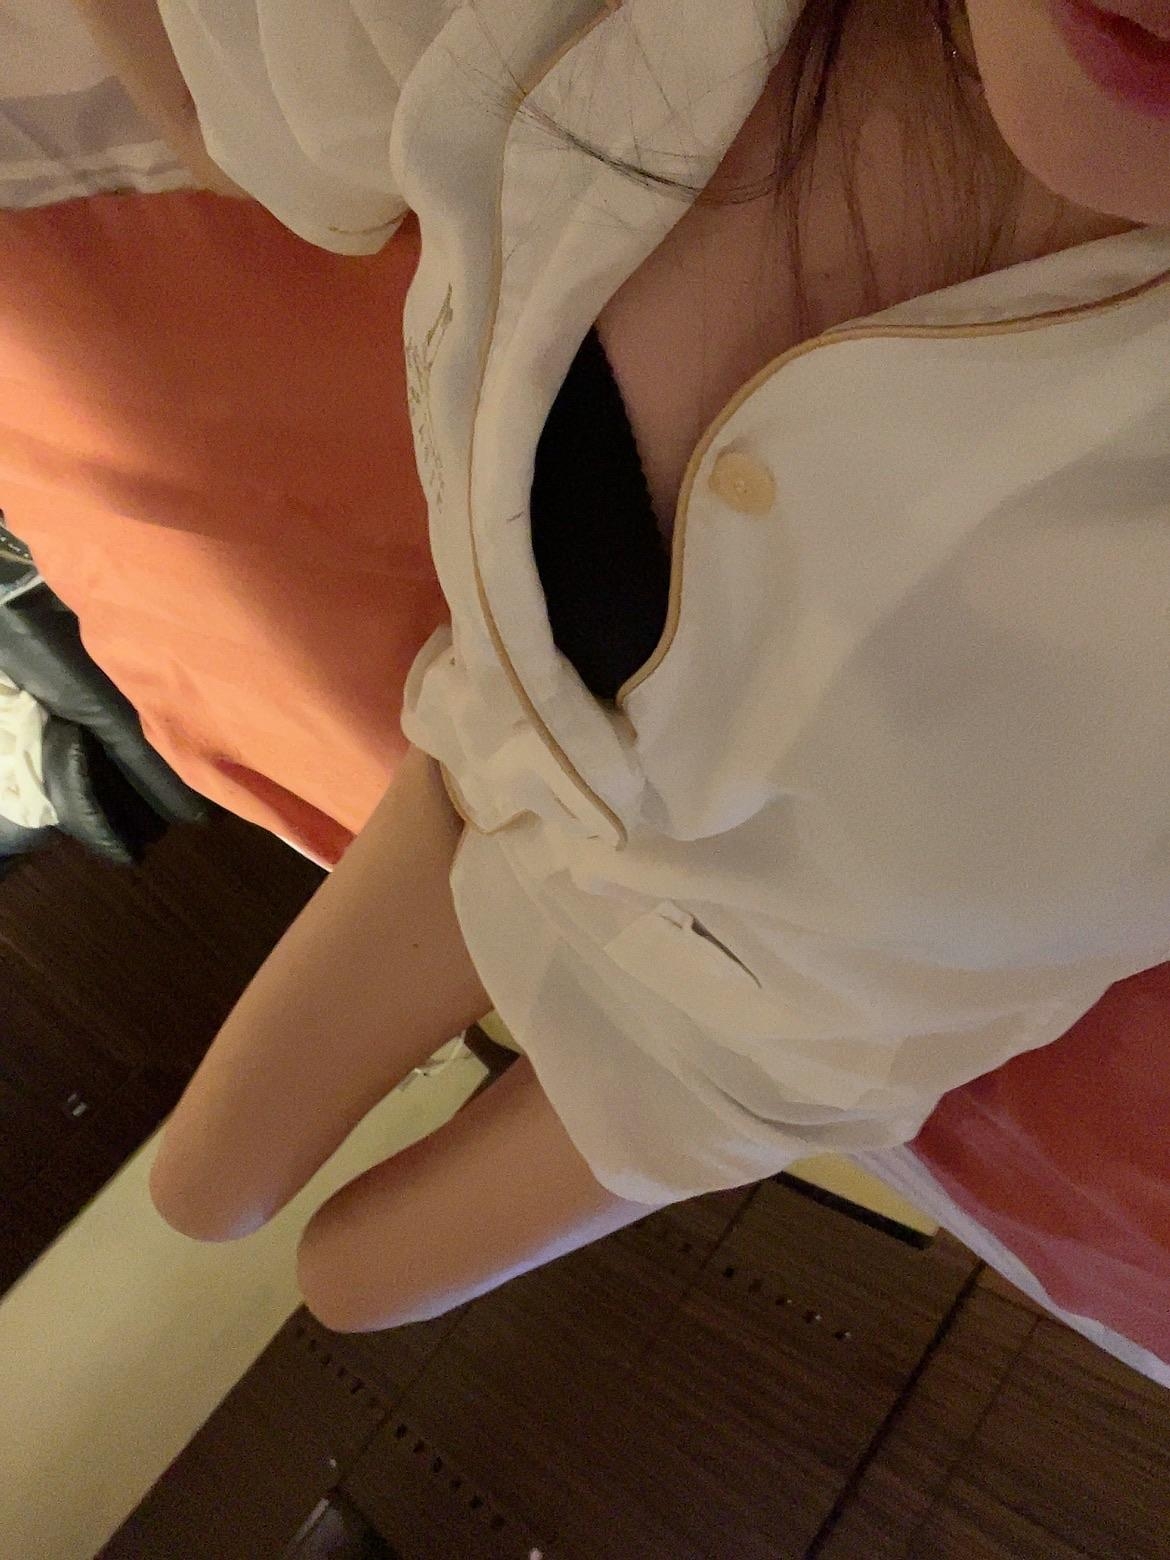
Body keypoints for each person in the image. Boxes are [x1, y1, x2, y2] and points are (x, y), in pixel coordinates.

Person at [65, 0, 1170, 1359]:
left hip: (737, 1039)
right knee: (195, 1193)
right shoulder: (600, 33)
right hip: (498, 768)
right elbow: (221, 118)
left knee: (347, 1291)